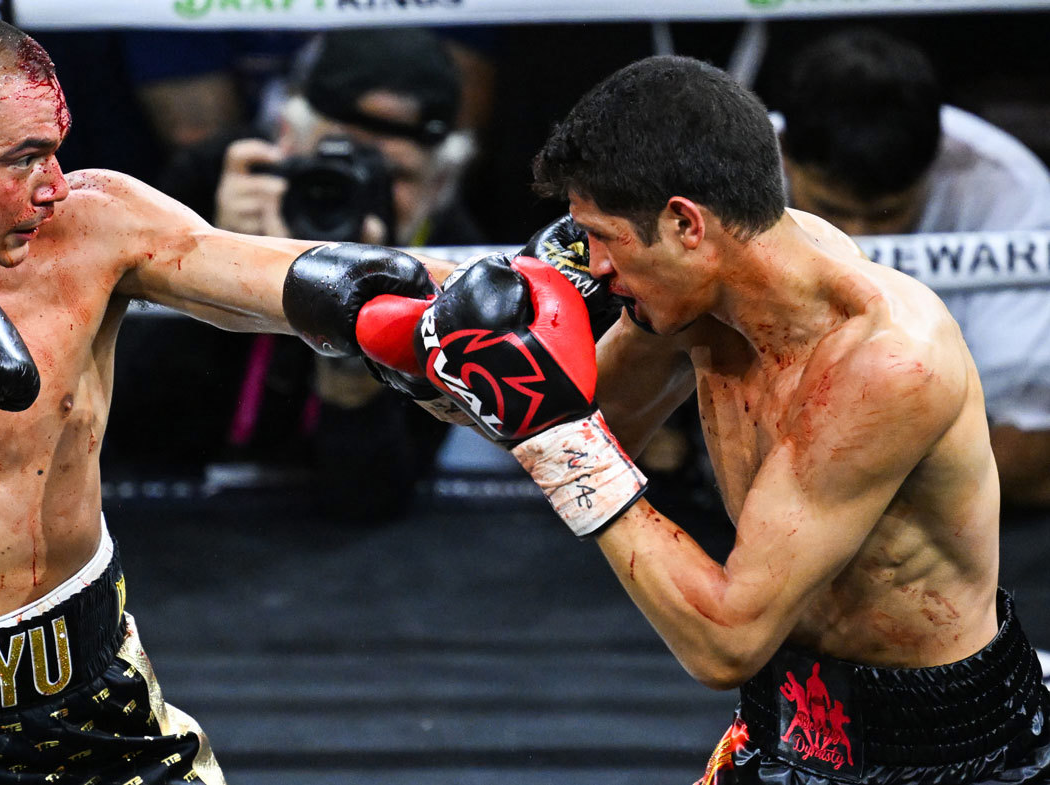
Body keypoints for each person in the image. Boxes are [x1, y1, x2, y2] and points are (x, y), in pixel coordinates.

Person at [0, 8, 452, 783]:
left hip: (89, 703)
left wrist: (477, 297)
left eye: (56, 152)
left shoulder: (91, 229)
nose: (55, 185)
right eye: (25, 159)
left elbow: (276, 279)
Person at [294, 55, 1050, 783]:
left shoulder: (883, 361)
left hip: (950, 756)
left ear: (687, 224)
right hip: (781, 726)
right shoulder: (702, 293)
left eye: (601, 238)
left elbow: (725, 639)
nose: (589, 265)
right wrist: (397, 338)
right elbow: (574, 414)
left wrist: (560, 436)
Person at [115, 27, 484, 519]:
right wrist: (217, 266)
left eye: (392, 177)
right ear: (286, 138)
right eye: (332, 165)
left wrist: (357, 353)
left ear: (440, 184)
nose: (356, 192)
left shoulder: (449, 258)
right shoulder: (213, 185)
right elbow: (128, 431)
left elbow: (372, 501)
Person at [773, 27, 1050, 510]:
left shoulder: (1012, 193)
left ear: (932, 170)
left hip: (949, 503)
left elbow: (1027, 439)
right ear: (784, 158)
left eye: (888, 214)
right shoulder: (717, 185)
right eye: (830, 208)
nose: (857, 239)